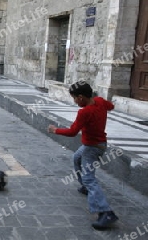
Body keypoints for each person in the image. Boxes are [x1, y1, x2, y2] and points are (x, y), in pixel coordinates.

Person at [47, 81, 119, 230]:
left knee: (89, 178)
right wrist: (104, 110)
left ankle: (106, 212)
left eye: (74, 98)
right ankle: (86, 188)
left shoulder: (85, 112)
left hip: (92, 147)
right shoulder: (99, 101)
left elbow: (73, 131)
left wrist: (55, 130)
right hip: (96, 144)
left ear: (80, 97)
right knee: (76, 158)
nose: (74, 101)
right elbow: (111, 106)